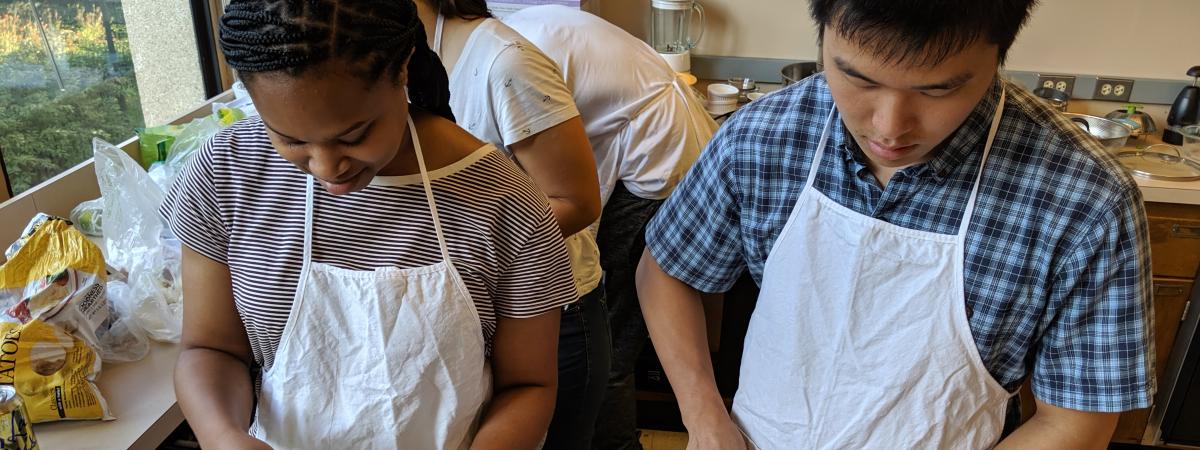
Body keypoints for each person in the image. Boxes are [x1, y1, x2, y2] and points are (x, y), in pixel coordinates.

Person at [636, 0, 1154, 448]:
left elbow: (1076, 424)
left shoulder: (1086, 201)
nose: (888, 127)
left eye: (936, 90)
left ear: (998, 54)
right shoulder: (767, 133)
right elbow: (666, 272)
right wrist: (705, 422)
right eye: (858, 78)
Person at [163, 1, 577, 448]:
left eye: (353, 135)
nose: (325, 167)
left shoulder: (503, 201)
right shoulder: (228, 173)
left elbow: (529, 386)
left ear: (403, 70)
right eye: (290, 139)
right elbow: (210, 349)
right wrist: (223, 435)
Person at [501, 6, 718, 449]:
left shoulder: (507, 57)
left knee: (610, 335)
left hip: (659, 163)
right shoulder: (511, 32)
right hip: (658, 147)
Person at [413, 2, 609, 448]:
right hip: (478, 311)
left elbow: (576, 201)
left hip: (556, 310)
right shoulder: (388, 68)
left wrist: (465, 246)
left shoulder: (506, 63)